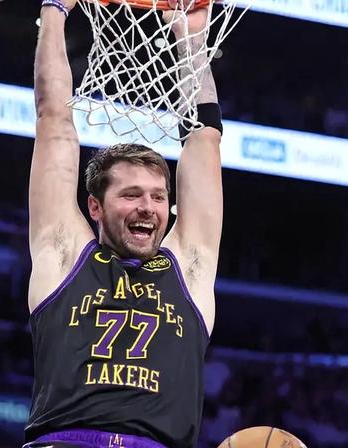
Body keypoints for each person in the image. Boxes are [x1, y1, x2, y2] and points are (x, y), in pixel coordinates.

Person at [24, 0, 224, 447]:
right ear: (94, 207)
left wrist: (191, 40)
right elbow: (53, 121)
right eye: (130, 195)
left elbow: (204, 139)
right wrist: (55, 11)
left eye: (158, 196)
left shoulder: (188, 269)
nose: (148, 207)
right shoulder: (64, 256)